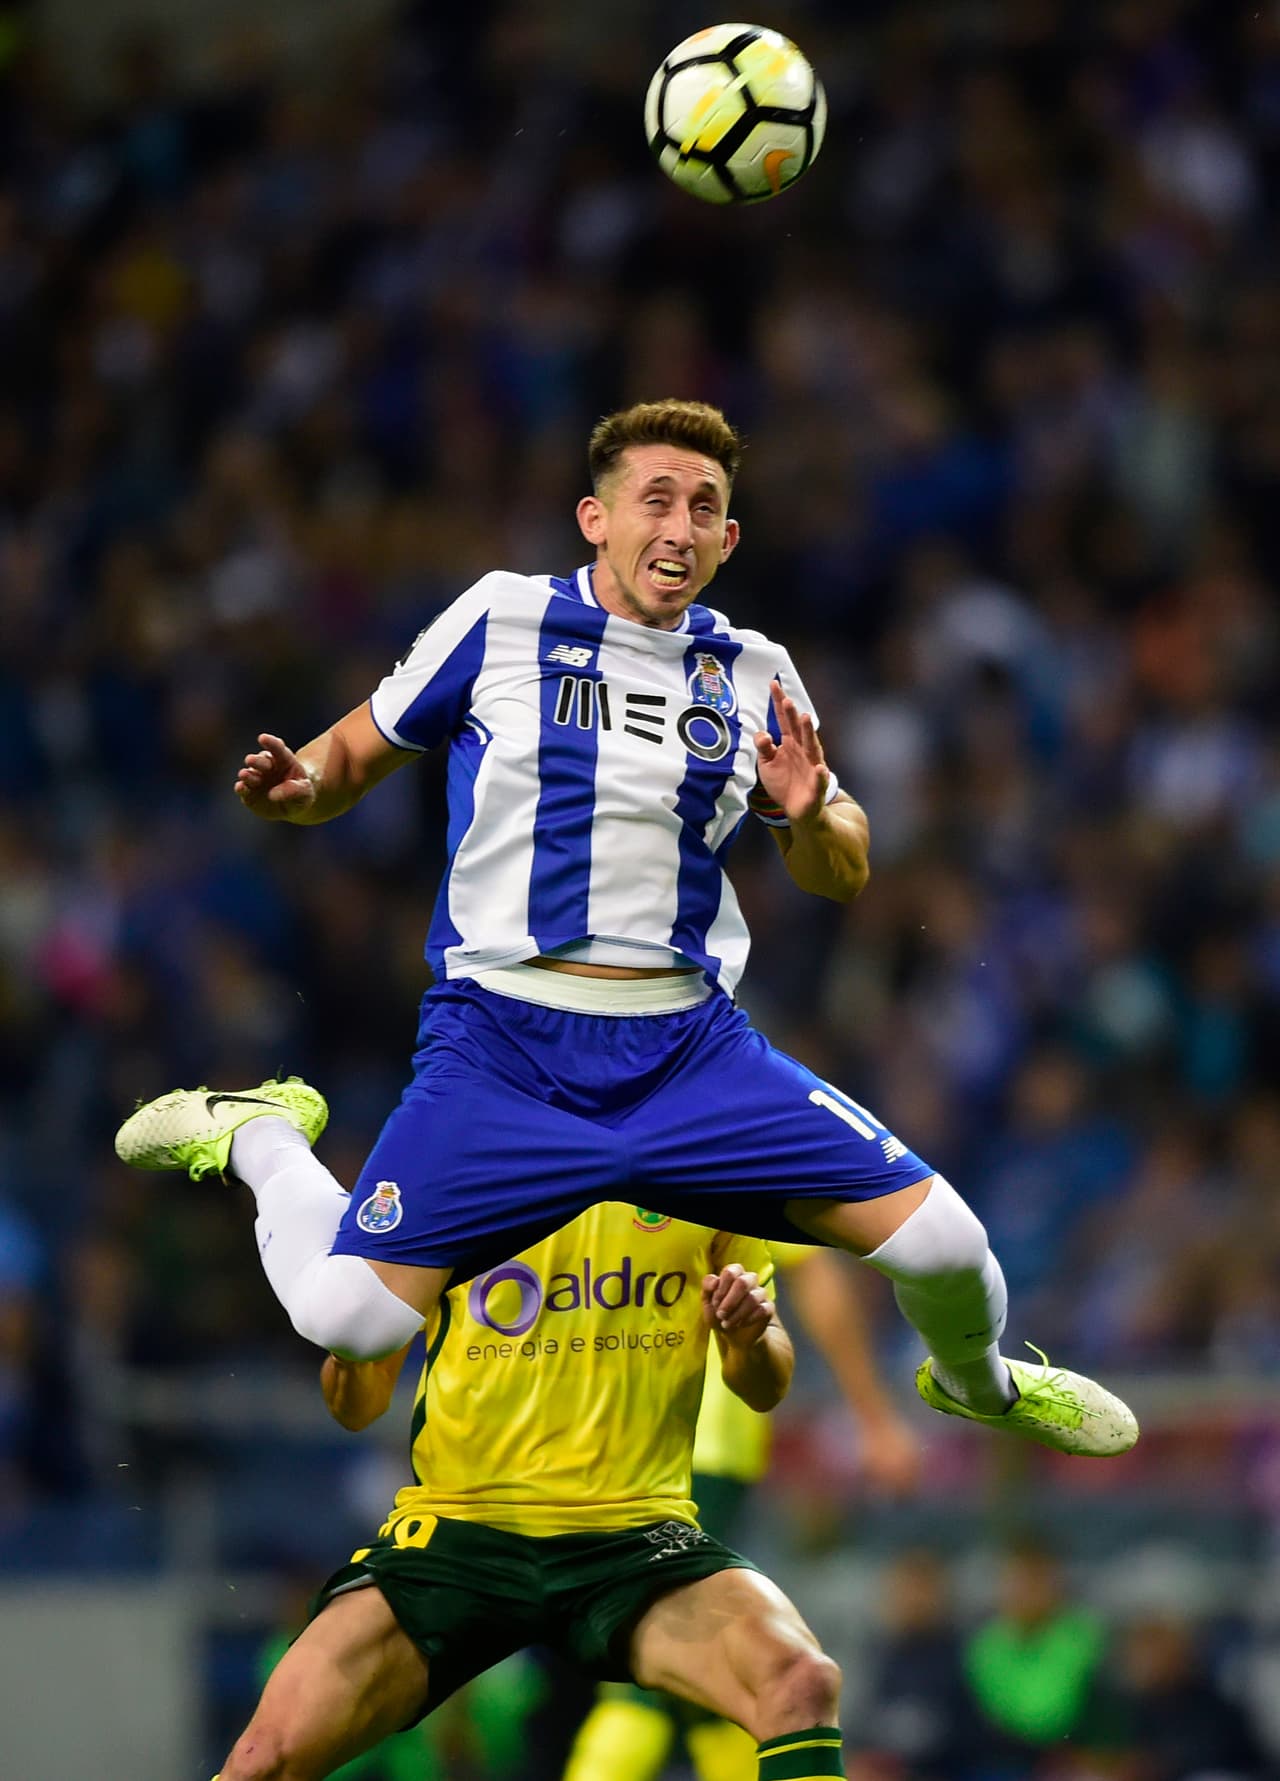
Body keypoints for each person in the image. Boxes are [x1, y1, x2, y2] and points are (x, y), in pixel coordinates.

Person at [116, 397, 1138, 1468]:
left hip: (687, 1050)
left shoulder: (755, 670)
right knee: (350, 1322)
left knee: (951, 1247)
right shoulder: (501, 617)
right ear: (593, 518)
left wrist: (806, 805)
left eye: (705, 508)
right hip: (504, 1045)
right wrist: (296, 789)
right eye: (655, 500)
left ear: (728, 538)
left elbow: (842, 865)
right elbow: (347, 759)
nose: (680, 527)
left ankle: (978, 1383)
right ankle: (261, 1131)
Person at [212, 1192, 848, 1781]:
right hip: (459, 1535)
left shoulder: (700, 1173)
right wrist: (351, 1337)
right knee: (261, 1760)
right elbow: (355, 1407)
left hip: (635, 1536)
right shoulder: (445, 1165)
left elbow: (766, 1385)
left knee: (800, 1681)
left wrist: (750, 1335)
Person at [562, 1244, 921, 1781]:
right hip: (691, 1442)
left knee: (686, 1673)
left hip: (612, 1439)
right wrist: (874, 1418)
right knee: (654, 1677)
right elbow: (815, 1272)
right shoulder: (736, 1158)